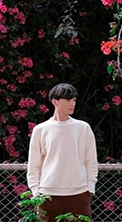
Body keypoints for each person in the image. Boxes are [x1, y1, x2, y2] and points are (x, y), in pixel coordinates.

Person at [27, 83, 98, 222]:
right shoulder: (41, 130)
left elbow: (91, 161)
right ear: (55, 102)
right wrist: (36, 193)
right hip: (48, 194)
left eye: (74, 100)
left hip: (79, 193)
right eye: (68, 100)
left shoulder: (82, 128)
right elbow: (34, 164)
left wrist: (90, 189)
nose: (72, 103)